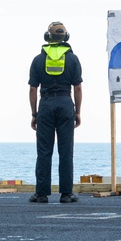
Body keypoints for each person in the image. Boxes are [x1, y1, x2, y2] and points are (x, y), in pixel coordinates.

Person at [28, 21, 83, 204]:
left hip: (46, 104)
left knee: (44, 151)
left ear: (48, 37)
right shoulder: (73, 59)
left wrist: (34, 113)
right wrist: (77, 111)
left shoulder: (38, 59)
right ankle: (66, 194)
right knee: (66, 150)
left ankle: (41, 194)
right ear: (66, 38)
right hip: (66, 103)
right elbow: (78, 88)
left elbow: (33, 90)